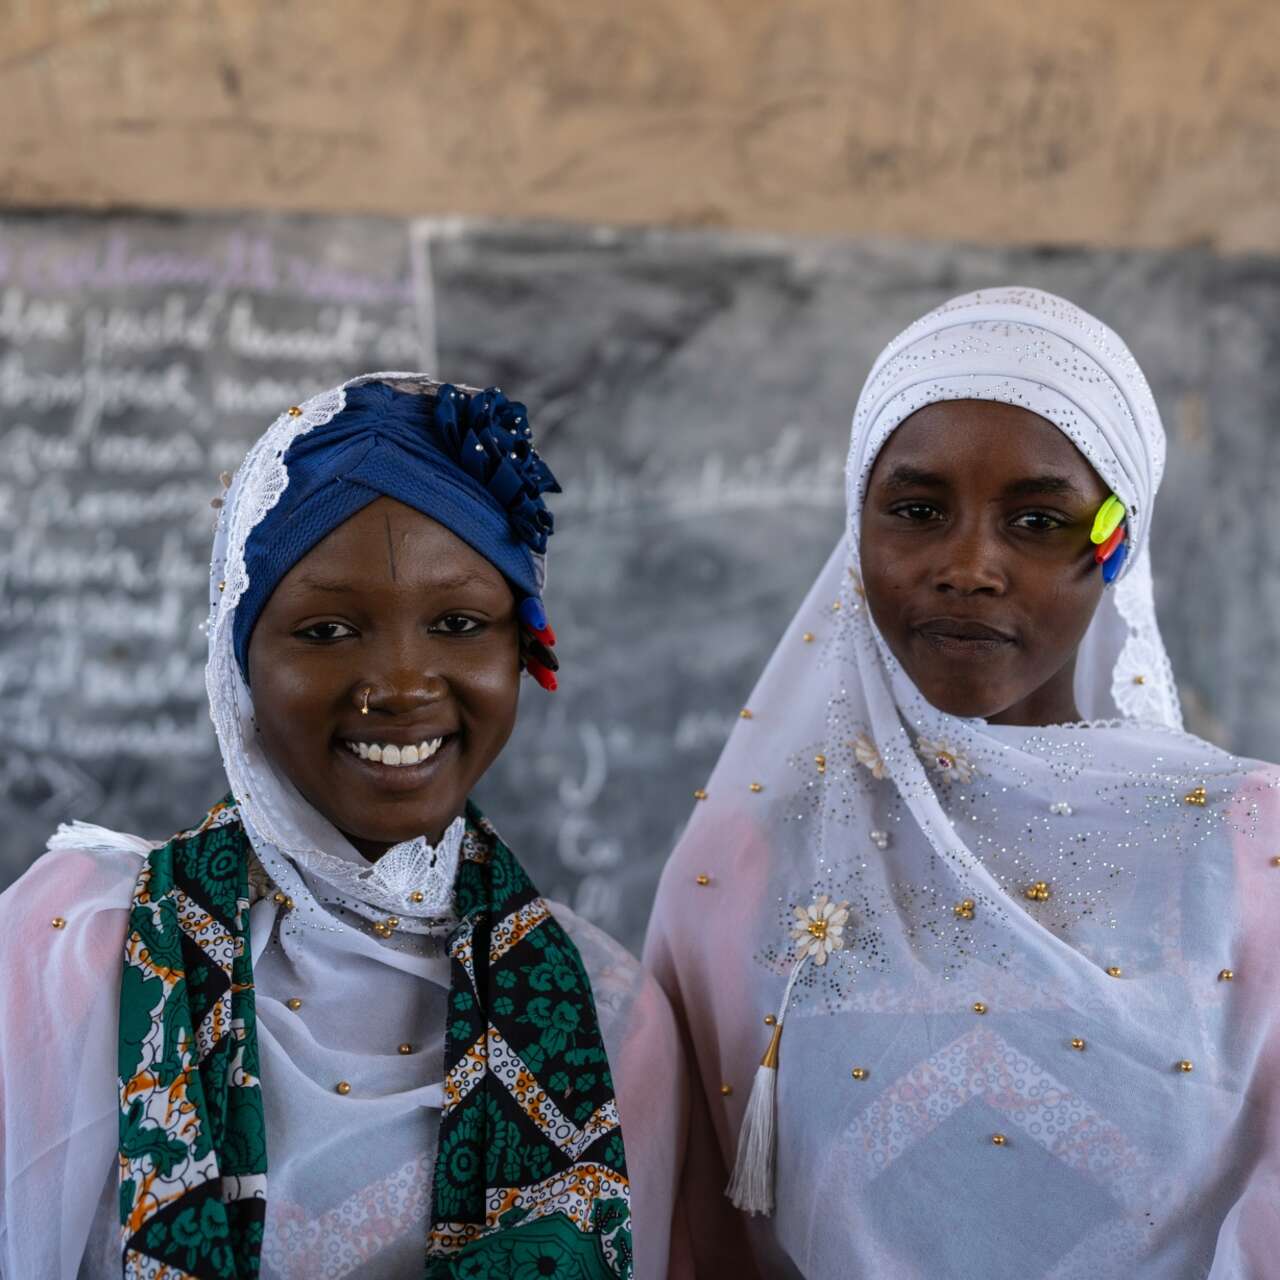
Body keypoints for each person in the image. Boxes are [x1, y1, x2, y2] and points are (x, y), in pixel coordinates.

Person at [644, 288, 1280, 1278]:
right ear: (853, 532)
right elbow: (689, 1229)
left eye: (1036, 519)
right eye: (914, 510)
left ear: (1115, 542)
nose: (969, 565)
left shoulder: (1244, 846)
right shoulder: (749, 864)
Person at [0, 375, 687, 1279]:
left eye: (458, 623)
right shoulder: (76, 951)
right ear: (237, 662)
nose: (401, 684)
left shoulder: (605, 1011)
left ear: (523, 648)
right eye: (325, 630)